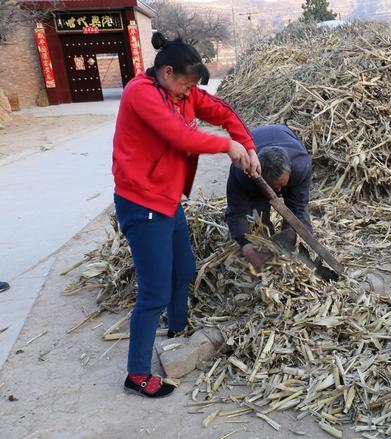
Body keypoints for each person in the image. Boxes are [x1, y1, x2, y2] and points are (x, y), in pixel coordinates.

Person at [112, 32, 260, 398]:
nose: (189, 93)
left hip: (167, 200)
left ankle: (177, 330)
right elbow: (181, 138)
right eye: (185, 85)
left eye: (193, 87)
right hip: (142, 202)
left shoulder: (183, 92)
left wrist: (249, 145)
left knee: (185, 270)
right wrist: (227, 145)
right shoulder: (141, 93)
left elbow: (223, 112)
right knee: (153, 292)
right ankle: (137, 374)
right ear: (166, 72)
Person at [225, 124, 312, 272]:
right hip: (255, 162)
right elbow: (236, 212)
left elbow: (297, 208)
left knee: (296, 215)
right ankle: (267, 249)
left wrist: (292, 241)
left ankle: (292, 249)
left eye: (282, 185)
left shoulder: (301, 166)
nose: (278, 192)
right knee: (258, 220)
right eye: (274, 187)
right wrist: (246, 246)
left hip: (283, 135)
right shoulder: (242, 172)